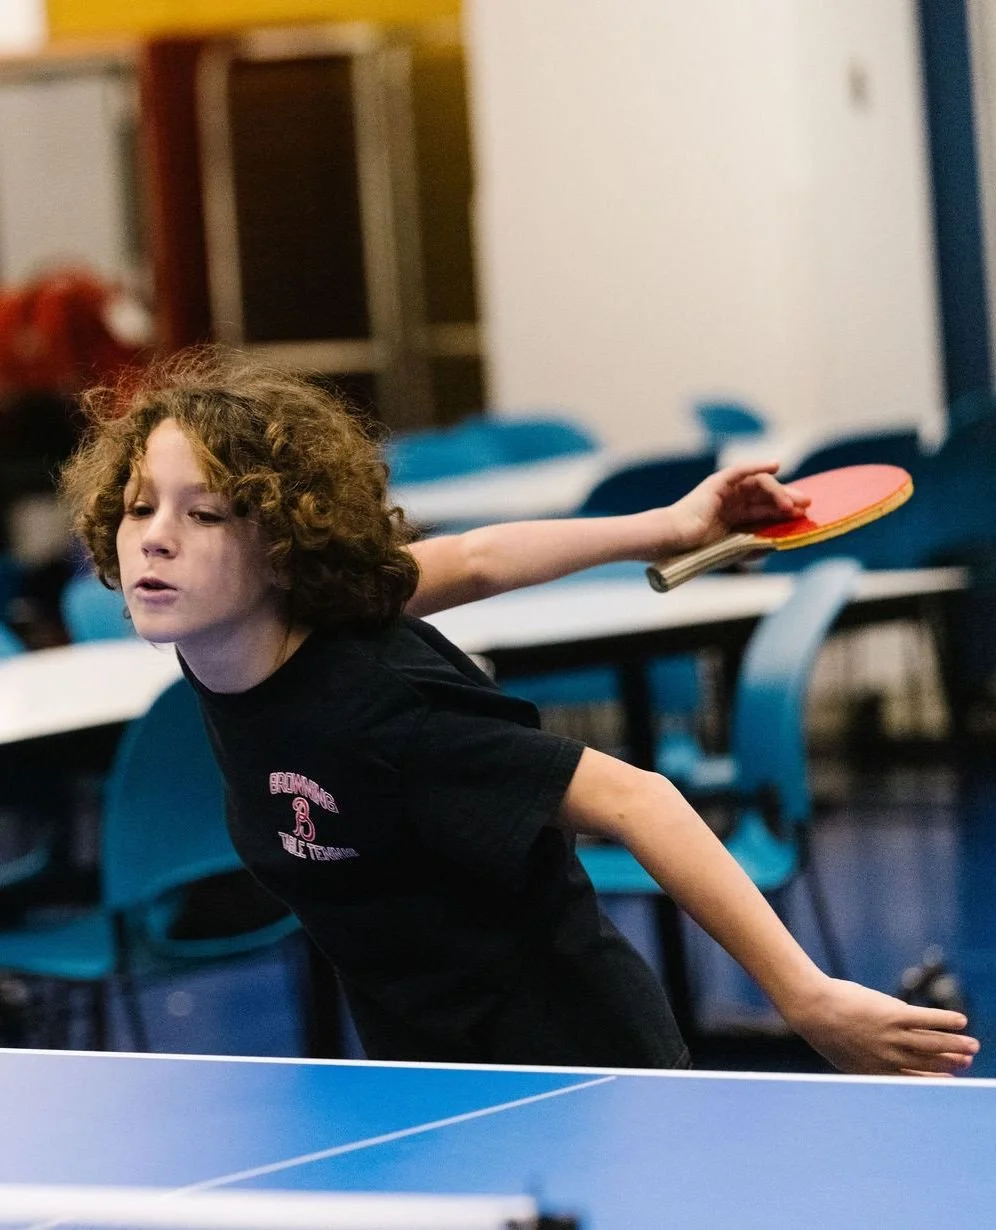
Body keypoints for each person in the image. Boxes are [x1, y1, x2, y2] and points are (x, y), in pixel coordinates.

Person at [60, 346, 979, 1075]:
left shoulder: (378, 714)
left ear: (282, 546)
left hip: (564, 1063)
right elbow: (479, 559)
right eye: (140, 507)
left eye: (206, 513)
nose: (158, 538)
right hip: (431, 1069)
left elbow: (638, 800)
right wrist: (669, 526)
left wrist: (805, 997)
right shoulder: (258, 625)